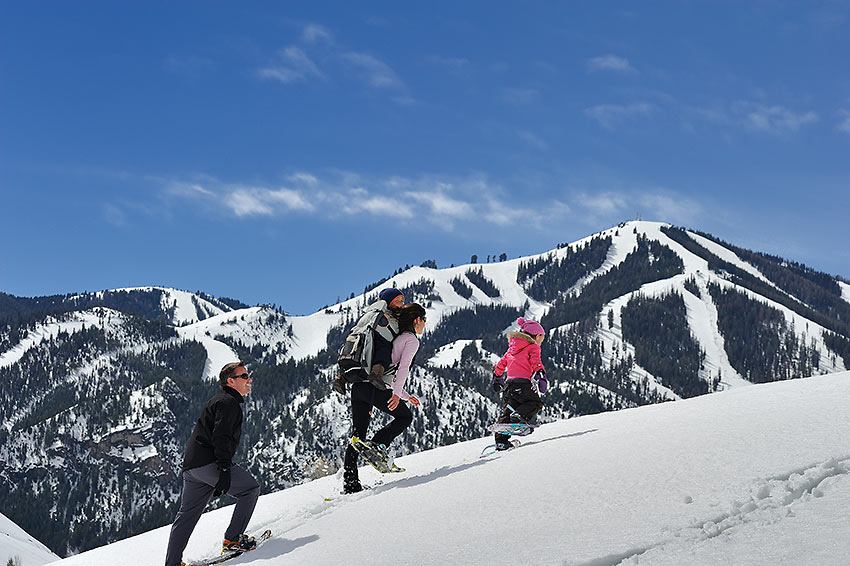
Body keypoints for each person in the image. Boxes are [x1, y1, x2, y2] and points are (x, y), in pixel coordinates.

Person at [164, 362, 261, 566]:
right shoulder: (228, 402)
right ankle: (233, 540)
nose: (249, 379)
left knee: (187, 515)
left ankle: (172, 563)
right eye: (244, 376)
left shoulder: (219, 400)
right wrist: (224, 470)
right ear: (230, 381)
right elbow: (221, 436)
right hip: (211, 463)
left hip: (192, 467)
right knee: (250, 489)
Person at [342, 302, 426, 494]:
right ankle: (379, 444)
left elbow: (389, 373)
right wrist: (397, 395)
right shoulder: (411, 340)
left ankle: (350, 483)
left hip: (359, 387)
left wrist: (404, 395)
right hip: (375, 389)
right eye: (424, 321)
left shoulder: (393, 338)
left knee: (357, 436)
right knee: (405, 417)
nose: (424, 325)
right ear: (417, 320)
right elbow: (402, 369)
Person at [333, 288, 405, 394]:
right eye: (397, 300)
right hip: (377, 339)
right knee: (384, 353)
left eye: (402, 301)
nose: (401, 304)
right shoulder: (385, 313)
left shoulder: (370, 311)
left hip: (358, 343)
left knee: (356, 365)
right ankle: (376, 373)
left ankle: (341, 379)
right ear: (388, 302)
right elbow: (391, 329)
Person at [491, 317, 549, 450]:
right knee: (535, 403)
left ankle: (501, 441)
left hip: (509, 386)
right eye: (542, 338)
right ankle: (520, 416)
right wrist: (541, 374)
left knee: (508, 411)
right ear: (536, 335)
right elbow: (536, 362)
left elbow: (501, 364)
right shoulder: (533, 347)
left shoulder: (512, 349)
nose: (541, 341)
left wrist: (497, 377)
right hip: (523, 384)